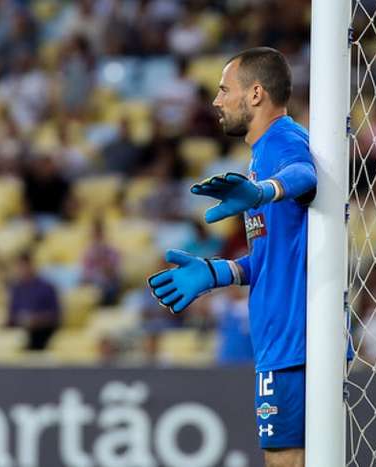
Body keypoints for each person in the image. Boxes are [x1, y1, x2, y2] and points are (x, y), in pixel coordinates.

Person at [147, 47, 353, 467]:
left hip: (293, 336)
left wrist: (263, 191)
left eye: (225, 90)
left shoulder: (282, 141)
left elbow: (304, 176)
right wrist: (216, 271)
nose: (216, 101)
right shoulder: (263, 153)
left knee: (285, 460)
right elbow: (272, 256)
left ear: (255, 94)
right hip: (289, 334)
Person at [7, 252, 61, 351]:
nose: (22, 270)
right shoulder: (16, 289)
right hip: (21, 332)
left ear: (32, 266)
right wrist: (20, 320)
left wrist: (36, 320)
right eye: (19, 267)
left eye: (24, 266)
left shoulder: (47, 288)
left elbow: (56, 316)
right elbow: (11, 315)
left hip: (43, 333)